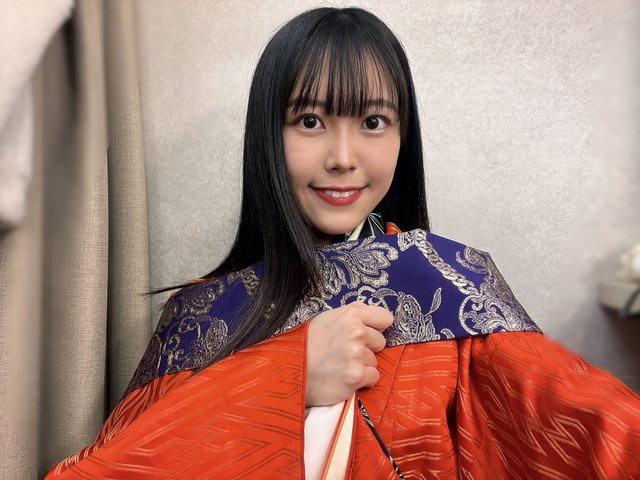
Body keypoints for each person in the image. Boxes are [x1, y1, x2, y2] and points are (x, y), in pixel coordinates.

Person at [46, 7, 640, 479]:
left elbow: (595, 429)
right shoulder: (198, 316)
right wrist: (285, 375)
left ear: (403, 137)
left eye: (373, 122)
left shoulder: (448, 283)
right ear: (267, 135)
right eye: (310, 121)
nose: (343, 157)